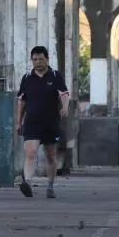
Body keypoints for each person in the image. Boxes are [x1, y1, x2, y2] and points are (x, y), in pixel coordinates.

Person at [16, 46, 69, 198]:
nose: (37, 62)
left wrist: (65, 107)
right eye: (34, 60)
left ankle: (50, 185)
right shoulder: (26, 78)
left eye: (40, 59)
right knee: (30, 152)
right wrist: (19, 122)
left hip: (50, 122)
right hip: (32, 122)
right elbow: (21, 102)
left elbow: (64, 94)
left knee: (51, 155)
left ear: (47, 59)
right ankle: (27, 182)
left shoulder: (55, 76)